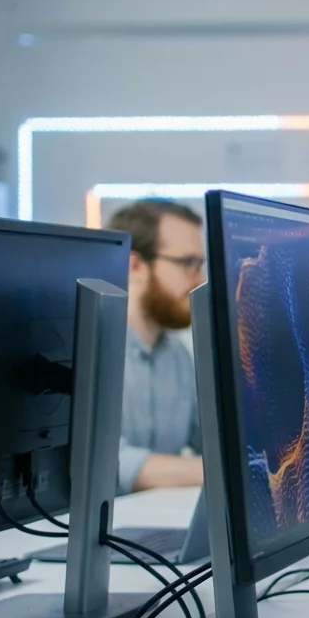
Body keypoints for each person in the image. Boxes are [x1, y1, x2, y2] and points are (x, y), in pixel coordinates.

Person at [108, 200, 206, 494]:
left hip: (154, 522)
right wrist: (221, 470)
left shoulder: (176, 354)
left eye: (200, 265)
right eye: (188, 264)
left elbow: (213, 440)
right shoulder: (88, 353)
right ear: (134, 265)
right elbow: (110, 463)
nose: (200, 280)